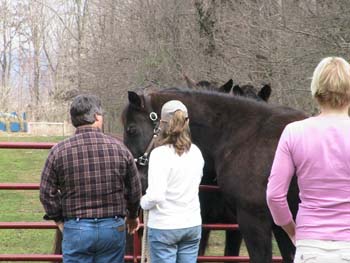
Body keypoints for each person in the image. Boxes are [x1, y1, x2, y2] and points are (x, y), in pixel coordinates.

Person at [266, 57, 350, 263]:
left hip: (310, 244)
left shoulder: (294, 132)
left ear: (316, 89)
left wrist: (292, 231)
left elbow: (274, 196)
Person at [40, 94, 142, 263]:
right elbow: (134, 189)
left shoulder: (59, 151)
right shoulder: (120, 149)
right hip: (112, 226)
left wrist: (58, 218)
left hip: (77, 227)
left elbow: (46, 192)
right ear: (96, 117)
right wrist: (132, 216)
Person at [140, 100, 204, 263]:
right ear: (187, 122)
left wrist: (142, 202)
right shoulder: (196, 152)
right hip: (191, 223)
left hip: (164, 226)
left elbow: (155, 196)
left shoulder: (159, 154)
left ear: (162, 123)